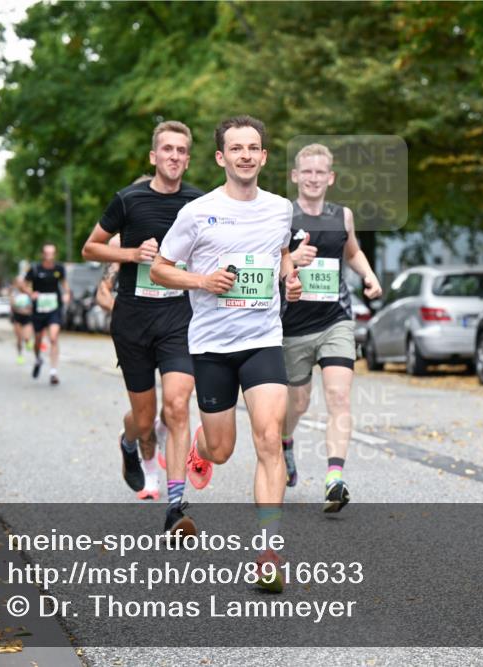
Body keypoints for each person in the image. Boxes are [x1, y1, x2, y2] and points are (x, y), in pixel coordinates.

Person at [151, 115, 303, 591]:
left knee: (269, 436)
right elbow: (159, 269)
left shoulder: (281, 209)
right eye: (235, 148)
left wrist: (289, 278)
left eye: (253, 148)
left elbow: (278, 254)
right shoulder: (198, 213)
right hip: (213, 346)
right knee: (222, 449)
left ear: (263, 156)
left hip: (262, 339)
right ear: (221, 157)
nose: (245, 155)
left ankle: (270, 551)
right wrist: (202, 280)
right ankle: (199, 447)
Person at [82, 125, 203, 535]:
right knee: (144, 416)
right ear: (153, 157)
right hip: (133, 318)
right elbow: (90, 247)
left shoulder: (200, 203)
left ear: (188, 159)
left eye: (181, 151)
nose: (173, 156)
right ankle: (128, 442)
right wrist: (132, 253)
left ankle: (175, 506)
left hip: (179, 318)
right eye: (166, 149)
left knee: (177, 405)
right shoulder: (128, 200)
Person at [280, 143, 383, 513]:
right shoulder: (281, 216)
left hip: (335, 319)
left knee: (339, 397)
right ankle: (285, 440)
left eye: (319, 172)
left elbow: (351, 251)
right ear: (295, 176)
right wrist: (292, 259)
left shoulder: (342, 216)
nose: (312, 178)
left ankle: (334, 478)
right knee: (299, 403)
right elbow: (264, 260)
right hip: (291, 325)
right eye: (306, 172)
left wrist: (369, 276)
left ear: (330, 177)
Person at [24, 244, 70, 385]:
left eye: (52, 253)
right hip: (39, 309)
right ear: (43, 254)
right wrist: (31, 293)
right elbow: (23, 284)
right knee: (38, 340)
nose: (49, 255)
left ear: (54, 254)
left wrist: (67, 294)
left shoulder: (59, 269)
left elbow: (64, 284)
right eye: (47, 253)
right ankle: (38, 358)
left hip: (54, 307)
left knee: (53, 338)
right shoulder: (35, 268)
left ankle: (53, 372)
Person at [10, 278, 34, 364]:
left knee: (26, 337)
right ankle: (20, 355)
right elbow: (13, 306)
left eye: (22, 282)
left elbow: (33, 304)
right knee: (19, 339)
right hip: (17, 318)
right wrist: (19, 309)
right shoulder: (14, 293)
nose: (20, 284)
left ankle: (28, 342)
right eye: (18, 282)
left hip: (27, 318)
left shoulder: (29, 292)